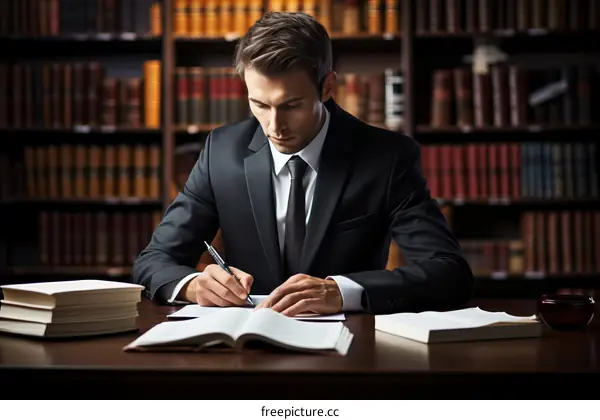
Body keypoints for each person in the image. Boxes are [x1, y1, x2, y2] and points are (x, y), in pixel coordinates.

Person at [132, 11, 474, 316]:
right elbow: (153, 261)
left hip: (346, 353)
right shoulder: (221, 151)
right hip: (244, 349)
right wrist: (193, 285)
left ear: (327, 87)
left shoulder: (387, 157)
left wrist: (342, 292)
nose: (274, 127)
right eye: (259, 104)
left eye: (291, 105)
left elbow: (448, 272)